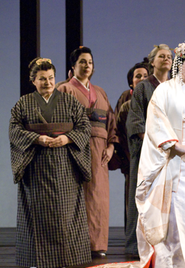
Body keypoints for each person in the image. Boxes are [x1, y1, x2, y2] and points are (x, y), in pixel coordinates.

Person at [83, 39, 185, 268]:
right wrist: (176, 145)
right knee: (174, 212)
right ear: (180, 63)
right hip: (172, 159)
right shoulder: (164, 91)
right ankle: (170, 264)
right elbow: (155, 122)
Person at [9, 57, 91, 268]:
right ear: (33, 81)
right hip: (36, 164)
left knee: (65, 213)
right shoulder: (23, 103)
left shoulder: (69, 101)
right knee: (36, 212)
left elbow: (84, 126)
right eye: (42, 79)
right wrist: (37, 139)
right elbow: (14, 130)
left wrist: (68, 138)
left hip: (65, 164)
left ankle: (62, 259)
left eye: (51, 78)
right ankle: (36, 260)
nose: (47, 83)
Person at [58, 47, 119, 257]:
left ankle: (97, 244)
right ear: (73, 67)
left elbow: (111, 122)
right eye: (82, 62)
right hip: (76, 148)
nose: (87, 66)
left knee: (99, 197)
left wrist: (111, 146)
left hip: (100, 150)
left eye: (90, 62)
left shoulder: (100, 92)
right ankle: (75, 244)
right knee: (77, 196)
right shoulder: (65, 90)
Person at [124, 44, 172, 255]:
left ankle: (167, 243)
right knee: (143, 196)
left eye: (169, 56)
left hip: (172, 150)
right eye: (161, 56)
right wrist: (154, 144)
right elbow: (135, 121)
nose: (166, 59)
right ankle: (138, 245)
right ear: (152, 62)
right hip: (149, 150)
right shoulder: (143, 87)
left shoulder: (175, 86)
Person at [114, 60, 150, 230]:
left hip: (153, 155)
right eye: (138, 76)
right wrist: (125, 155)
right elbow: (118, 128)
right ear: (131, 82)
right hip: (132, 155)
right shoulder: (126, 101)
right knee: (133, 196)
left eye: (145, 76)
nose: (142, 79)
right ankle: (133, 237)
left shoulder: (155, 96)